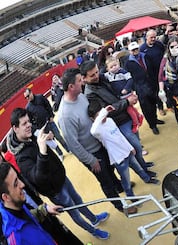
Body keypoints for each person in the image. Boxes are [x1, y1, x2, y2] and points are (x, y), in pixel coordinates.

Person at [9, 108, 111, 240]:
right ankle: (93, 231)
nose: (29, 125)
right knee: (75, 214)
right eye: (24, 123)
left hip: (61, 178)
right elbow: (38, 178)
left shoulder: (31, 137)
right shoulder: (21, 157)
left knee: (78, 200)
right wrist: (42, 151)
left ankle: (94, 219)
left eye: (28, 121)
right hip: (55, 190)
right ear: (15, 128)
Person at [58, 68, 137, 215]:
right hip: (92, 154)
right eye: (80, 80)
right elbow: (73, 144)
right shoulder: (65, 116)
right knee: (105, 180)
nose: (83, 82)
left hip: (101, 143)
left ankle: (119, 186)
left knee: (111, 169)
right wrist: (90, 160)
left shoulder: (80, 96)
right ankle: (121, 206)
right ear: (71, 87)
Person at [88, 102, 159, 189]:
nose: (103, 116)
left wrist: (130, 147)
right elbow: (93, 130)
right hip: (118, 159)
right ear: (92, 119)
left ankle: (147, 179)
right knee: (126, 180)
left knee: (139, 168)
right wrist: (103, 112)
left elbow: (120, 136)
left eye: (103, 113)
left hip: (127, 151)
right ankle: (131, 196)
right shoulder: (97, 130)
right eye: (99, 115)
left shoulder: (110, 121)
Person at [0, 162, 62, 245]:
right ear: (6, 197)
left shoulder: (16, 204)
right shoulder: (17, 239)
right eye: (15, 184)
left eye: (18, 179)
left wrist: (44, 210)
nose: (22, 184)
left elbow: (27, 219)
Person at [124, 42, 165, 135]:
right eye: (133, 50)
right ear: (130, 51)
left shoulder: (145, 56)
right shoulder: (128, 63)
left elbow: (153, 69)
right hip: (140, 88)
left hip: (152, 84)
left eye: (136, 49)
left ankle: (155, 120)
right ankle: (152, 125)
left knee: (153, 104)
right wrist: (134, 88)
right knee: (146, 108)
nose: (135, 51)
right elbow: (128, 77)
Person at [23, 88, 69, 160]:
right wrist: (39, 129)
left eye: (28, 96)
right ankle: (60, 154)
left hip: (49, 122)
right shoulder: (28, 108)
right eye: (25, 97)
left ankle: (68, 149)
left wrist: (51, 116)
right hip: (42, 128)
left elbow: (48, 105)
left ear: (31, 92)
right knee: (52, 142)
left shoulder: (40, 97)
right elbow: (30, 121)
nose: (27, 98)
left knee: (58, 136)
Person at [104, 57, 141, 133]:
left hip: (127, 94)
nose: (114, 68)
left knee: (129, 109)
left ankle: (135, 123)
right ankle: (139, 116)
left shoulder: (123, 72)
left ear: (119, 64)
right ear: (108, 69)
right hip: (120, 96)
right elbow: (101, 75)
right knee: (131, 108)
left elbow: (130, 80)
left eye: (115, 65)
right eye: (111, 67)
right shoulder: (108, 75)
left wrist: (126, 88)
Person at [140, 29, 167, 116]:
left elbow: (164, 53)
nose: (153, 39)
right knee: (157, 91)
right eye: (151, 37)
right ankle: (160, 107)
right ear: (146, 37)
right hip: (152, 75)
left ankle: (170, 105)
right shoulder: (142, 48)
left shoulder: (159, 44)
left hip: (163, 71)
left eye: (154, 37)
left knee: (167, 88)